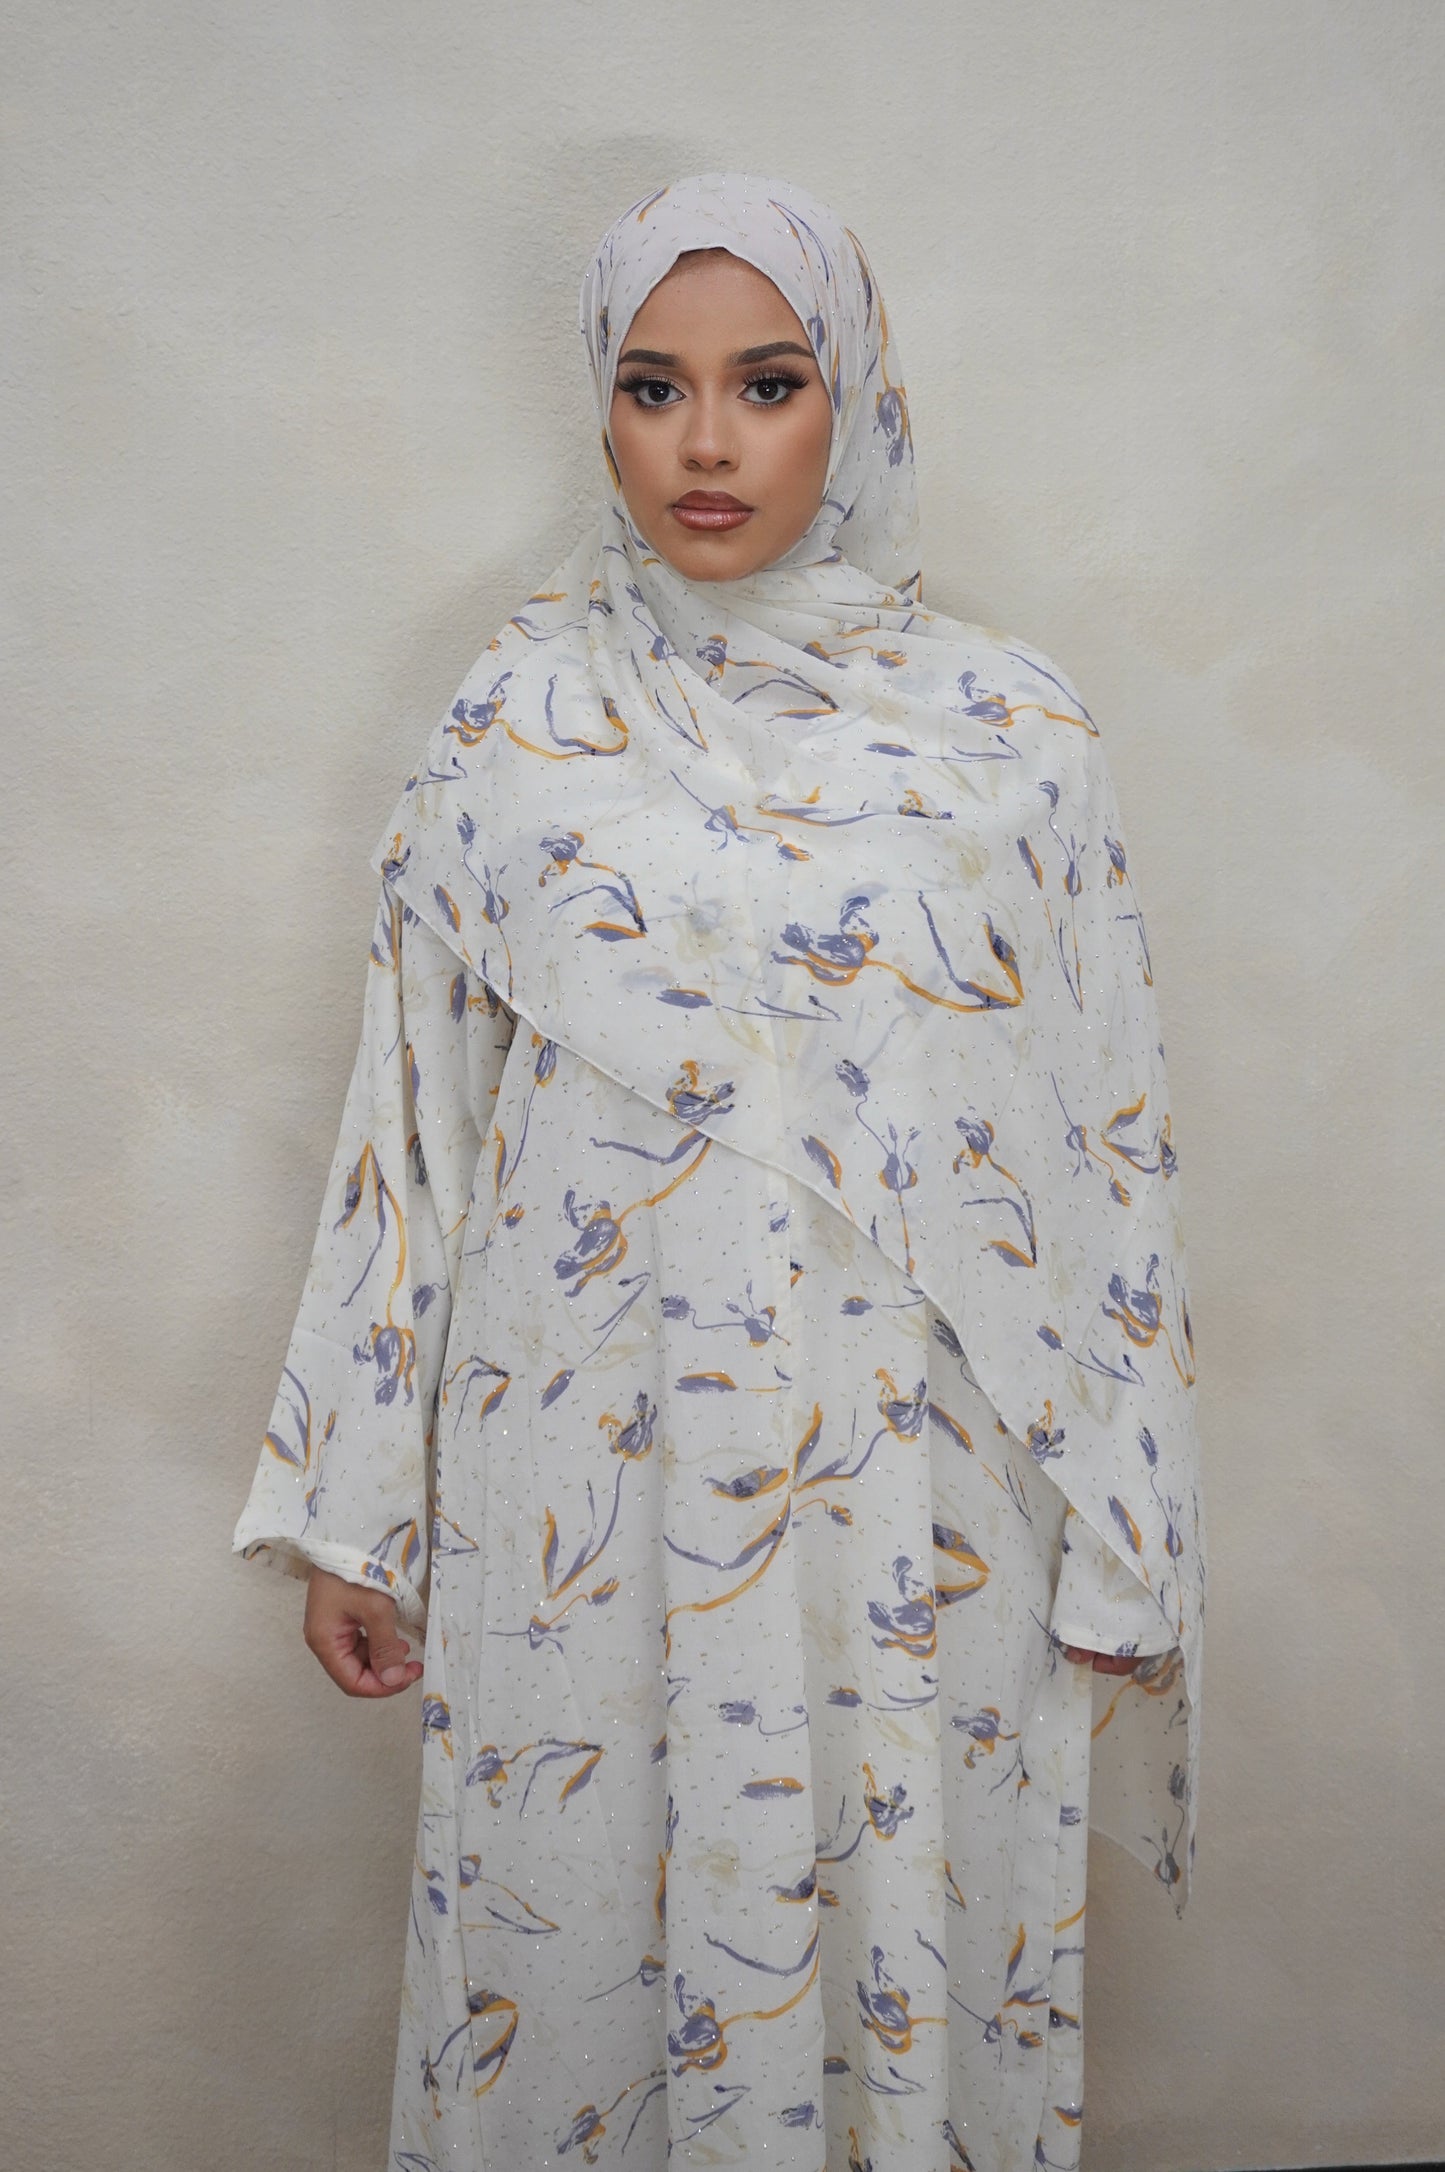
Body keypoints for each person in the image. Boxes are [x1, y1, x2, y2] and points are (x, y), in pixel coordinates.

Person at [234, 172, 1204, 2172]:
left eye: (767, 384)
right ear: (599, 404)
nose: (706, 443)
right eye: (652, 386)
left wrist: (1127, 1526)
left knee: (895, 1944)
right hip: (585, 1473)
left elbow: (1105, 1147)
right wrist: (357, 1512)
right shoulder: (515, 726)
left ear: (856, 395)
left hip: (915, 1489)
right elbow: (409, 1117)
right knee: (578, 1948)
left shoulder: (1014, 739)